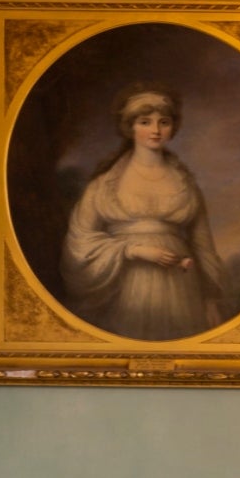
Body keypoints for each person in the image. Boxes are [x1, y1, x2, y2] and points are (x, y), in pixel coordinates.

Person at [61, 85, 228, 340]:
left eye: (164, 122)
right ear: (130, 128)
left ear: (173, 127)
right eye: (145, 122)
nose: (156, 130)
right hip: (127, 283)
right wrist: (132, 250)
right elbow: (80, 240)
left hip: (181, 284)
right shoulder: (104, 185)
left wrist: (210, 298)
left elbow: (203, 245)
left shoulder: (186, 184)